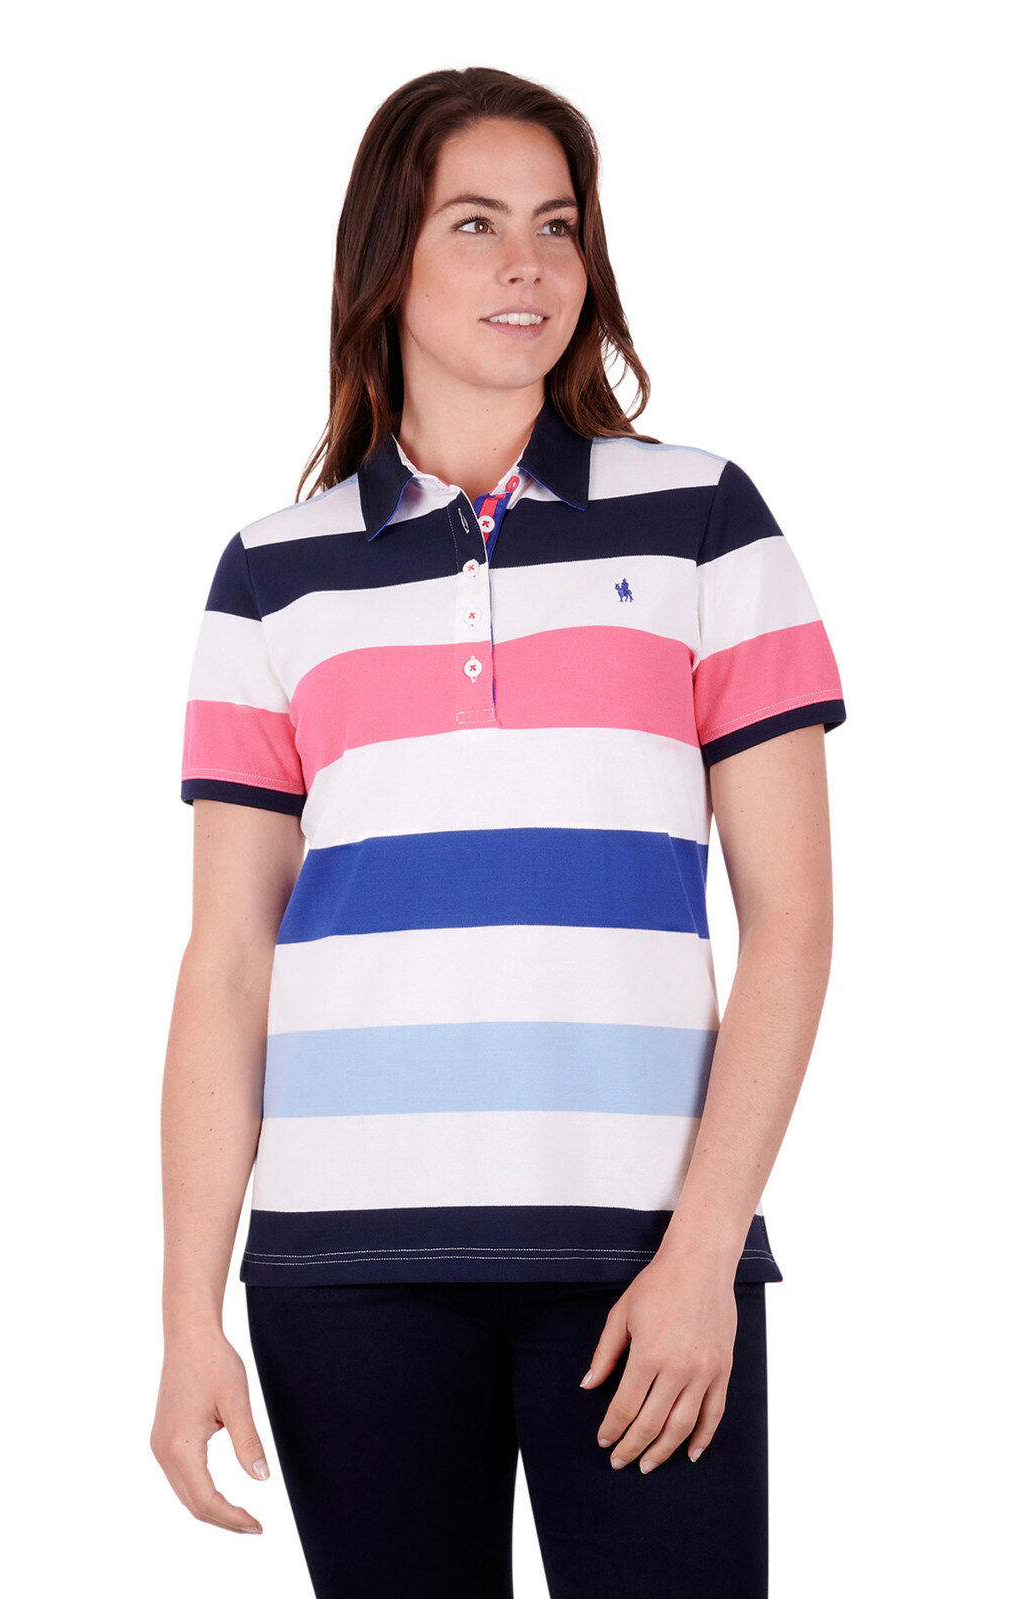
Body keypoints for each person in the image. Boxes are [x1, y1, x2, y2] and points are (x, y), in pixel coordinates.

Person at [151, 66, 846, 1599]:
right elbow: (227, 965)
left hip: (641, 1260)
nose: (526, 264)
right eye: (474, 224)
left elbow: (791, 920)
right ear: (385, 258)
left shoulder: (704, 522)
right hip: (347, 1270)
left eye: (556, 225)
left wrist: (701, 1254)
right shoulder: (272, 577)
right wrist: (188, 1313)